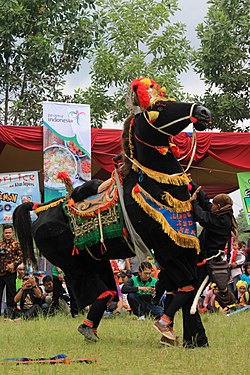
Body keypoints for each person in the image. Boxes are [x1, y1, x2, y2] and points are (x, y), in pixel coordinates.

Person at [0, 224, 23, 317]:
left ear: (13, 233)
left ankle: (11, 313)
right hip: (0, 273)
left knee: (11, 294)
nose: (8, 234)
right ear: (3, 233)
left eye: (9, 232)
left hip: (11, 273)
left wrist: (14, 264)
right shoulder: (0, 244)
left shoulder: (17, 244)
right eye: (6, 233)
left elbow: (21, 257)